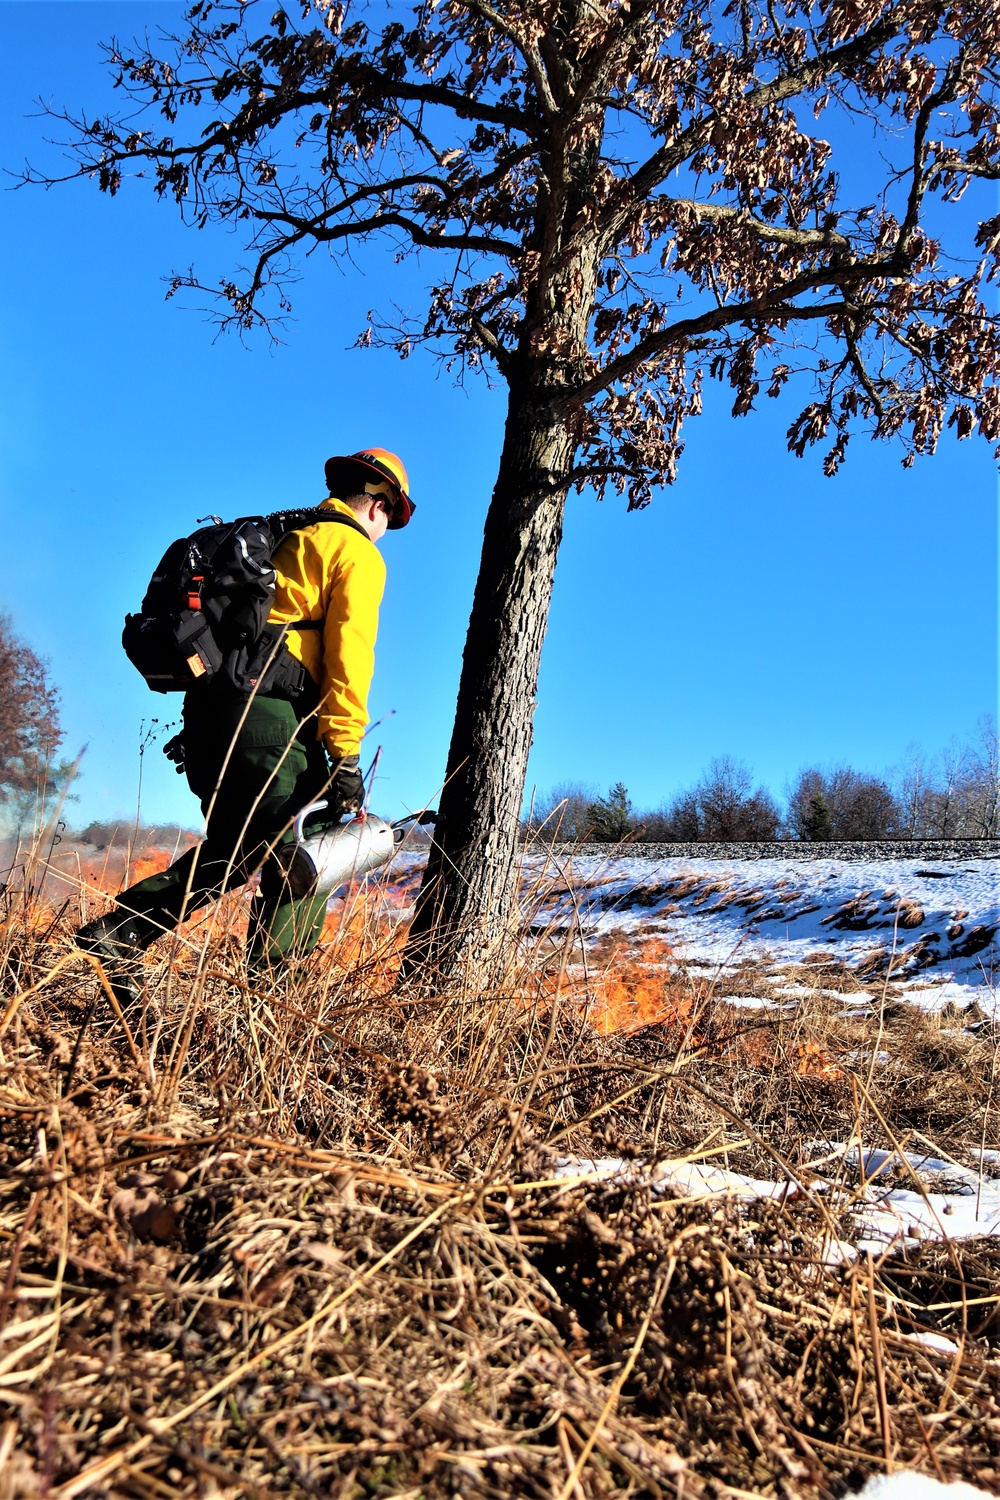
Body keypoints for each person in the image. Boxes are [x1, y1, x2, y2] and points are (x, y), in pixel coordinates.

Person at [77, 447, 413, 987]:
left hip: (208, 714)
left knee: (237, 848)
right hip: (269, 714)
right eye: (389, 520)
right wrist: (346, 755)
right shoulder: (355, 551)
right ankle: (275, 996)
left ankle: (120, 933)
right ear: (377, 504)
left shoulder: (283, 537)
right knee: (311, 846)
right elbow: (350, 660)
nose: (385, 532)